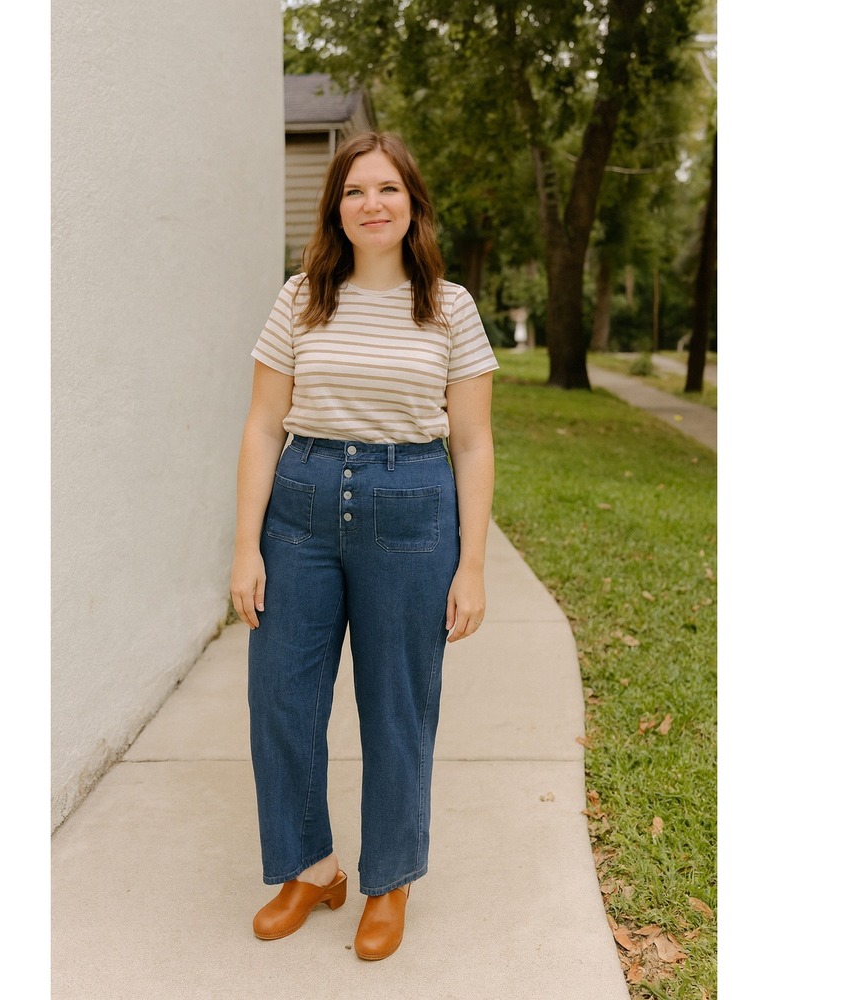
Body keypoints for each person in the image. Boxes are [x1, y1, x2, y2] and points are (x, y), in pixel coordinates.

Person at [230, 129, 497, 961]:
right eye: (354, 191)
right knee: (281, 697)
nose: (371, 204)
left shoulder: (448, 307)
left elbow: (475, 443)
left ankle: (388, 881)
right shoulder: (300, 296)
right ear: (335, 207)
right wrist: (247, 545)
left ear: (411, 203)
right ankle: (311, 868)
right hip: (301, 509)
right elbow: (263, 424)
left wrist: (474, 565)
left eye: (387, 189)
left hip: (412, 511)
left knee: (397, 709)